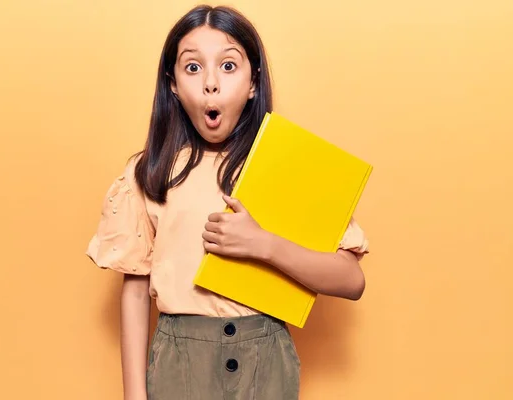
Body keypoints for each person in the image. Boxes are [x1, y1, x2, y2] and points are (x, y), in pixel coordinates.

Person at [86, 4, 369, 400]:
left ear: (254, 81)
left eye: (229, 66)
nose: (211, 84)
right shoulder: (150, 172)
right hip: (178, 364)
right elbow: (134, 291)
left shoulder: (284, 169)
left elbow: (351, 280)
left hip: (266, 359)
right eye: (193, 67)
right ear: (172, 83)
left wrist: (264, 245)